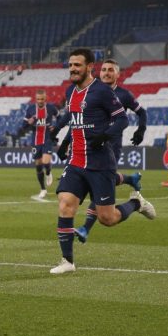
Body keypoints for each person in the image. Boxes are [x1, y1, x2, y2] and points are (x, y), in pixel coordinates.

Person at [51, 48, 156, 274]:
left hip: (101, 163)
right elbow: (75, 121)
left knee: (107, 218)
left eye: (77, 65)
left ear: (89, 67)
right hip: (76, 161)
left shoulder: (102, 91)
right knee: (65, 204)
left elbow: (122, 120)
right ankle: (67, 261)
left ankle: (137, 203)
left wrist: (105, 136)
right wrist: (64, 142)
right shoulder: (70, 92)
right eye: (70, 65)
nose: (73, 69)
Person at [69, 58, 147, 243]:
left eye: (110, 70)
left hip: (111, 148)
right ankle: (131, 179)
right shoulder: (91, 92)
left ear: (118, 74)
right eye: (103, 69)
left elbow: (141, 112)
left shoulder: (124, 95)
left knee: (99, 185)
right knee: (104, 180)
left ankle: (86, 227)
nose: (106, 73)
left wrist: (140, 130)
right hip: (89, 147)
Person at [22, 89, 59, 201]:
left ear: (45, 98)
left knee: (46, 161)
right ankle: (43, 189)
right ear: (35, 99)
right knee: (38, 165)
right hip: (36, 141)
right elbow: (24, 126)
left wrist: (56, 127)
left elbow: (60, 118)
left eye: (42, 99)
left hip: (47, 139)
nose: (40, 101)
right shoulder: (31, 109)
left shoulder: (51, 108)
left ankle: (48, 172)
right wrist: (29, 122)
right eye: (38, 99)